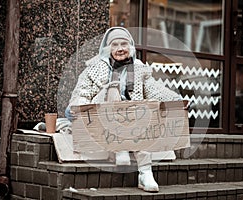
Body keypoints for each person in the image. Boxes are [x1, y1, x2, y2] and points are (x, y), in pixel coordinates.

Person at [65, 27, 181, 192]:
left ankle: (145, 173)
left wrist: (175, 100)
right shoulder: (95, 67)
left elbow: (154, 89)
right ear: (108, 48)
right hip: (103, 111)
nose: (120, 48)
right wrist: (78, 107)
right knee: (112, 90)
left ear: (131, 46)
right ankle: (120, 148)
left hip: (131, 116)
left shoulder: (139, 67)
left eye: (124, 44)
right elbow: (83, 92)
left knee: (143, 111)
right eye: (115, 44)